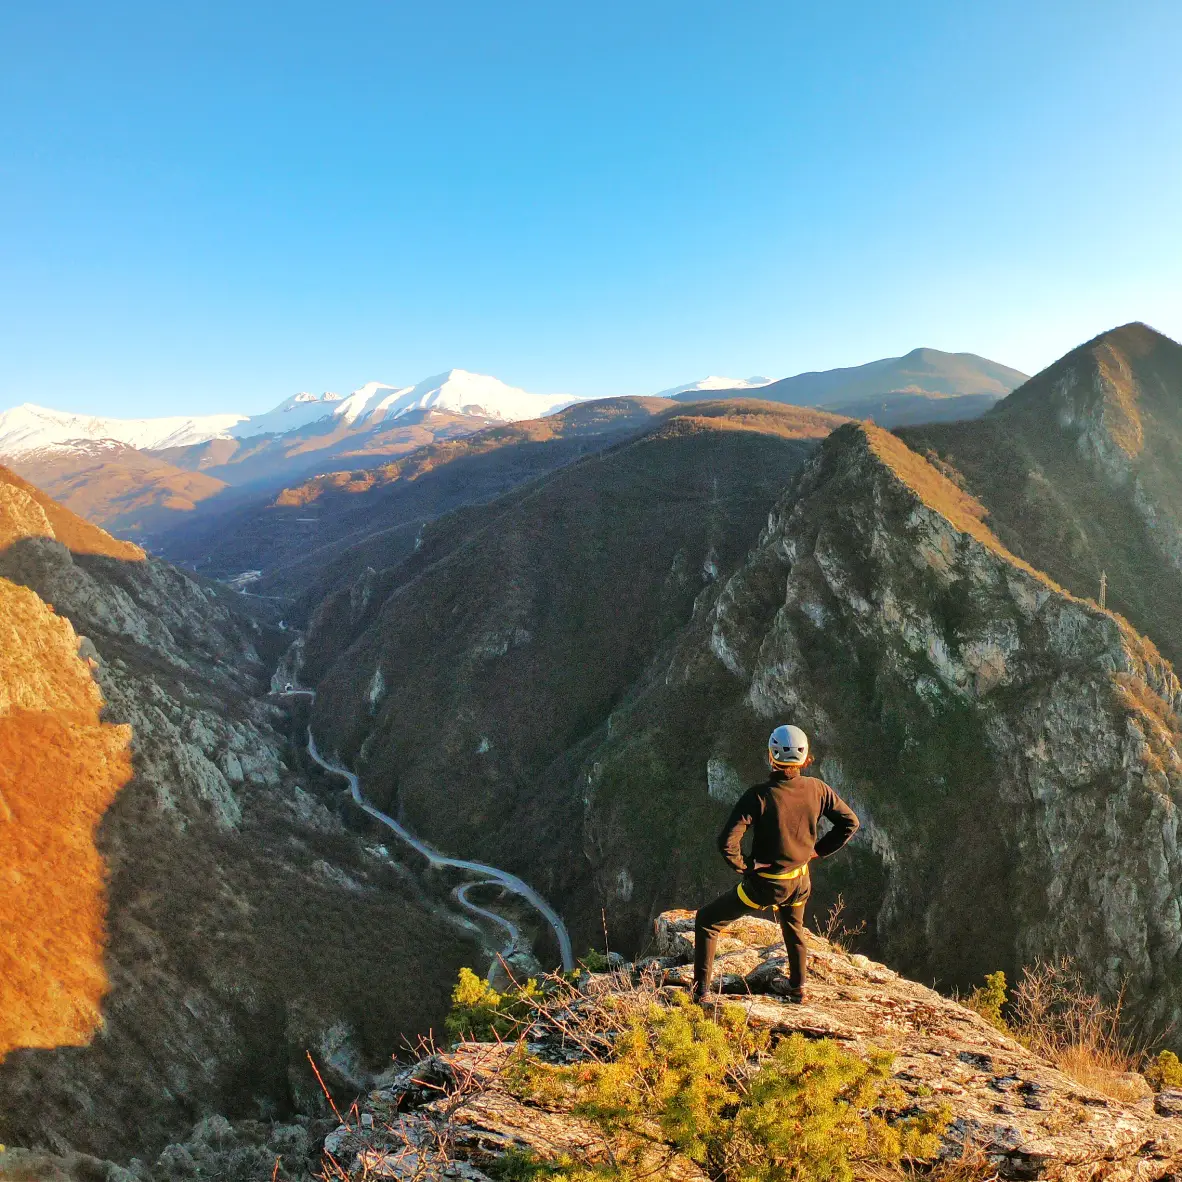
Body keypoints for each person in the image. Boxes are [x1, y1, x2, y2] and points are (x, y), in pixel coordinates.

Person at [692, 724, 859, 1005]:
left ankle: (701, 994)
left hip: (765, 885)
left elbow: (726, 842)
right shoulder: (818, 789)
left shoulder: (759, 796)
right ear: (806, 759)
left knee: (706, 921)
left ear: (771, 756)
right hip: (799, 882)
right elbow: (849, 823)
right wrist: (817, 851)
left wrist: (745, 866)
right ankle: (797, 987)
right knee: (793, 929)